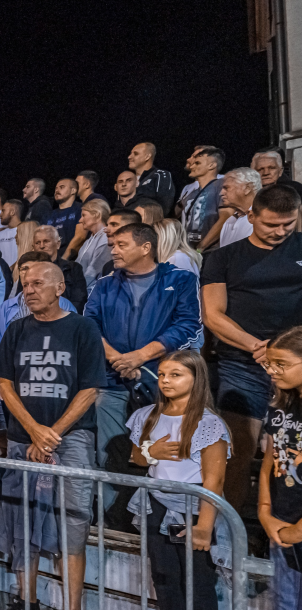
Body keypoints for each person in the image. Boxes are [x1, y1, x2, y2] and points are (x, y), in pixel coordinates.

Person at [0, 261, 105, 610]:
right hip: (25, 441)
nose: (29, 289)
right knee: (23, 523)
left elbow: (91, 388)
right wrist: (33, 431)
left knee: (72, 524)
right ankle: (26, 602)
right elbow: (4, 384)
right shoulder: (16, 329)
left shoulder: (82, 328)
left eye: (38, 283)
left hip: (71, 439)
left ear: (60, 288)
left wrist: (51, 432)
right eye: (25, 284)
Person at [126, 351, 228, 610]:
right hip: (157, 503)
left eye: (176, 374)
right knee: (165, 577)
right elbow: (137, 457)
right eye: (162, 374)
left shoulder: (208, 423)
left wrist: (204, 526)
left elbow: (214, 481)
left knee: (197, 586)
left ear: (196, 379)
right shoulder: (149, 415)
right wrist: (151, 452)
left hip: (193, 508)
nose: (166, 380)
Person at [84, 223, 202, 517]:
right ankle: (114, 520)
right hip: (112, 382)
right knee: (109, 454)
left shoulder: (181, 279)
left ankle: (157, 520)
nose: (113, 250)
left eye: (121, 244)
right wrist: (117, 359)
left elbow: (188, 325)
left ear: (145, 247)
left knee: (162, 454)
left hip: (162, 385)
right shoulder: (104, 284)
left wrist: (140, 356)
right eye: (113, 245)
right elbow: (90, 325)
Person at [201, 184, 302, 510]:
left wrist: (283, 352)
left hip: (298, 366)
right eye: (271, 224)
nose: (280, 231)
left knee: (291, 450)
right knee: (238, 450)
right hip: (241, 364)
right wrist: (259, 347)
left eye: (288, 223)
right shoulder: (223, 258)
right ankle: (231, 534)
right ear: (251, 215)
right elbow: (213, 315)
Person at [258, 326, 302, 610]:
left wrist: (297, 531)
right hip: (280, 523)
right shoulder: (280, 405)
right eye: (270, 363)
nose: (271, 370)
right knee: (286, 607)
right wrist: (264, 511)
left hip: (294, 529)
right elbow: (270, 461)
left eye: (281, 364)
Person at [74, 205, 138, 288]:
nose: (106, 230)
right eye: (107, 225)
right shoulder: (108, 267)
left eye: (114, 225)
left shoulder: (143, 265)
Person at [176, 147, 225, 249]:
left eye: (197, 163)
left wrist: (201, 247)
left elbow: (225, 218)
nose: (192, 166)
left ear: (212, 165)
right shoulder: (191, 193)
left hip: (210, 252)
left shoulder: (221, 186)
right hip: (191, 250)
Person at [32, 224, 87, 313]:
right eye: (37, 243)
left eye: (46, 241)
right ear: (33, 247)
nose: (41, 246)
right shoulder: (28, 271)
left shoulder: (73, 269)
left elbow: (79, 300)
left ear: (58, 244)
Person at [212, 167, 263, 249]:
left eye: (226, 188)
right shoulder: (229, 221)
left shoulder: (263, 219)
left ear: (247, 188)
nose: (221, 193)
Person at [128, 142, 177, 213]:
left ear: (147, 157)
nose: (129, 157)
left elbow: (165, 203)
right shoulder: (127, 180)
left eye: (135, 154)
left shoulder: (160, 175)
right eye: (130, 153)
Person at [44, 178, 82, 253]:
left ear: (73, 191)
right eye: (56, 189)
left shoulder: (80, 209)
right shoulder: (49, 214)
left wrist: (64, 258)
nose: (57, 191)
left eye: (62, 187)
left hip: (72, 260)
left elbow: (80, 237)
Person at [0, 199, 23, 267]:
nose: (0, 215)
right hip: (3, 275)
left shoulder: (26, 232)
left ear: (12, 212)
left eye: (3, 211)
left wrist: (13, 268)